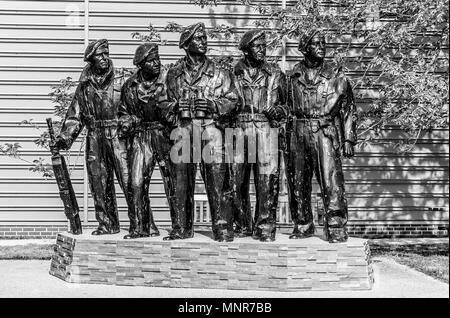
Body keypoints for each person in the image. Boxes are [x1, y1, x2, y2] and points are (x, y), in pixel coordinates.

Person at [163, 22, 238, 241]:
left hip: (211, 130)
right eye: (198, 38)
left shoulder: (220, 73)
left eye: (205, 37)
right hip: (184, 130)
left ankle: (222, 228)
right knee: (181, 183)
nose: (204, 41)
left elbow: (234, 100)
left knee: (218, 182)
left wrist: (213, 105)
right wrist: (175, 107)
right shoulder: (173, 74)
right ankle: (182, 228)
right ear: (186, 44)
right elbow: (163, 104)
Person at [284, 29, 357, 243]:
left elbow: (349, 109)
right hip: (297, 132)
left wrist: (348, 139)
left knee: (331, 180)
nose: (321, 47)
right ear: (305, 49)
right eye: (316, 43)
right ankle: (303, 224)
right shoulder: (291, 78)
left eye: (323, 43)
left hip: (325, 132)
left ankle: (336, 226)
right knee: (298, 181)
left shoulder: (337, 78)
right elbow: (285, 109)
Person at [53, 39, 131, 235]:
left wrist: (130, 122)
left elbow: (133, 106)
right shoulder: (84, 86)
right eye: (100, 55)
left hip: (118, 135)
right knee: (99, 182)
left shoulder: (122, 79)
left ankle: (141, 225)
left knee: (130, 180)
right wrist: (64, 138)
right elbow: (74, 115)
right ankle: (107, 224)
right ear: (91, 59)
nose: (104, 58)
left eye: (106, 53)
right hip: (95, 137)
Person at [230, 29, 287, 242]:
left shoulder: (275, 73)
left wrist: (279, 111)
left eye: (264, 46)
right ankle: (241, 224)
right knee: (236, 180)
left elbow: (288, 106)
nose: (262, 49)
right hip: (238, 128)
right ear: (246, 50)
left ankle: (265, 227)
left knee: (267, 180)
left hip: (265, 128)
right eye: (257, 46)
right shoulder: (232, 73)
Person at [118, 43, 175, 239]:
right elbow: (123, 112)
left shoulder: (169, 80)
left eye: (157, 59)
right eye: (151, 61)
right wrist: (127, 122)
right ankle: (140, 228)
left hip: (165, 134)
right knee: (136, 183)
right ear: (141, 65)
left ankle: (179, 228)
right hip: (141, 136)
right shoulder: (129, 86)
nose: (156, 63)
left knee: (173, 183)